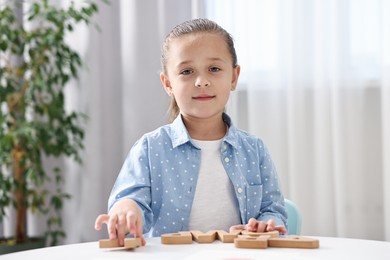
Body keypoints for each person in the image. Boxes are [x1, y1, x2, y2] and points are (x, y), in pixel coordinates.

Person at [94, 18, 287, 246]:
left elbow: (273, 211)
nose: (202, 81)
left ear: (234, 77)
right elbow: (130, 201)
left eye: (214, 69)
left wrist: (268, 224)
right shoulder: (149, 148)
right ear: (167, 84)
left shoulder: (254, 150)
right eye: (187, 71)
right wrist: (126, 209)